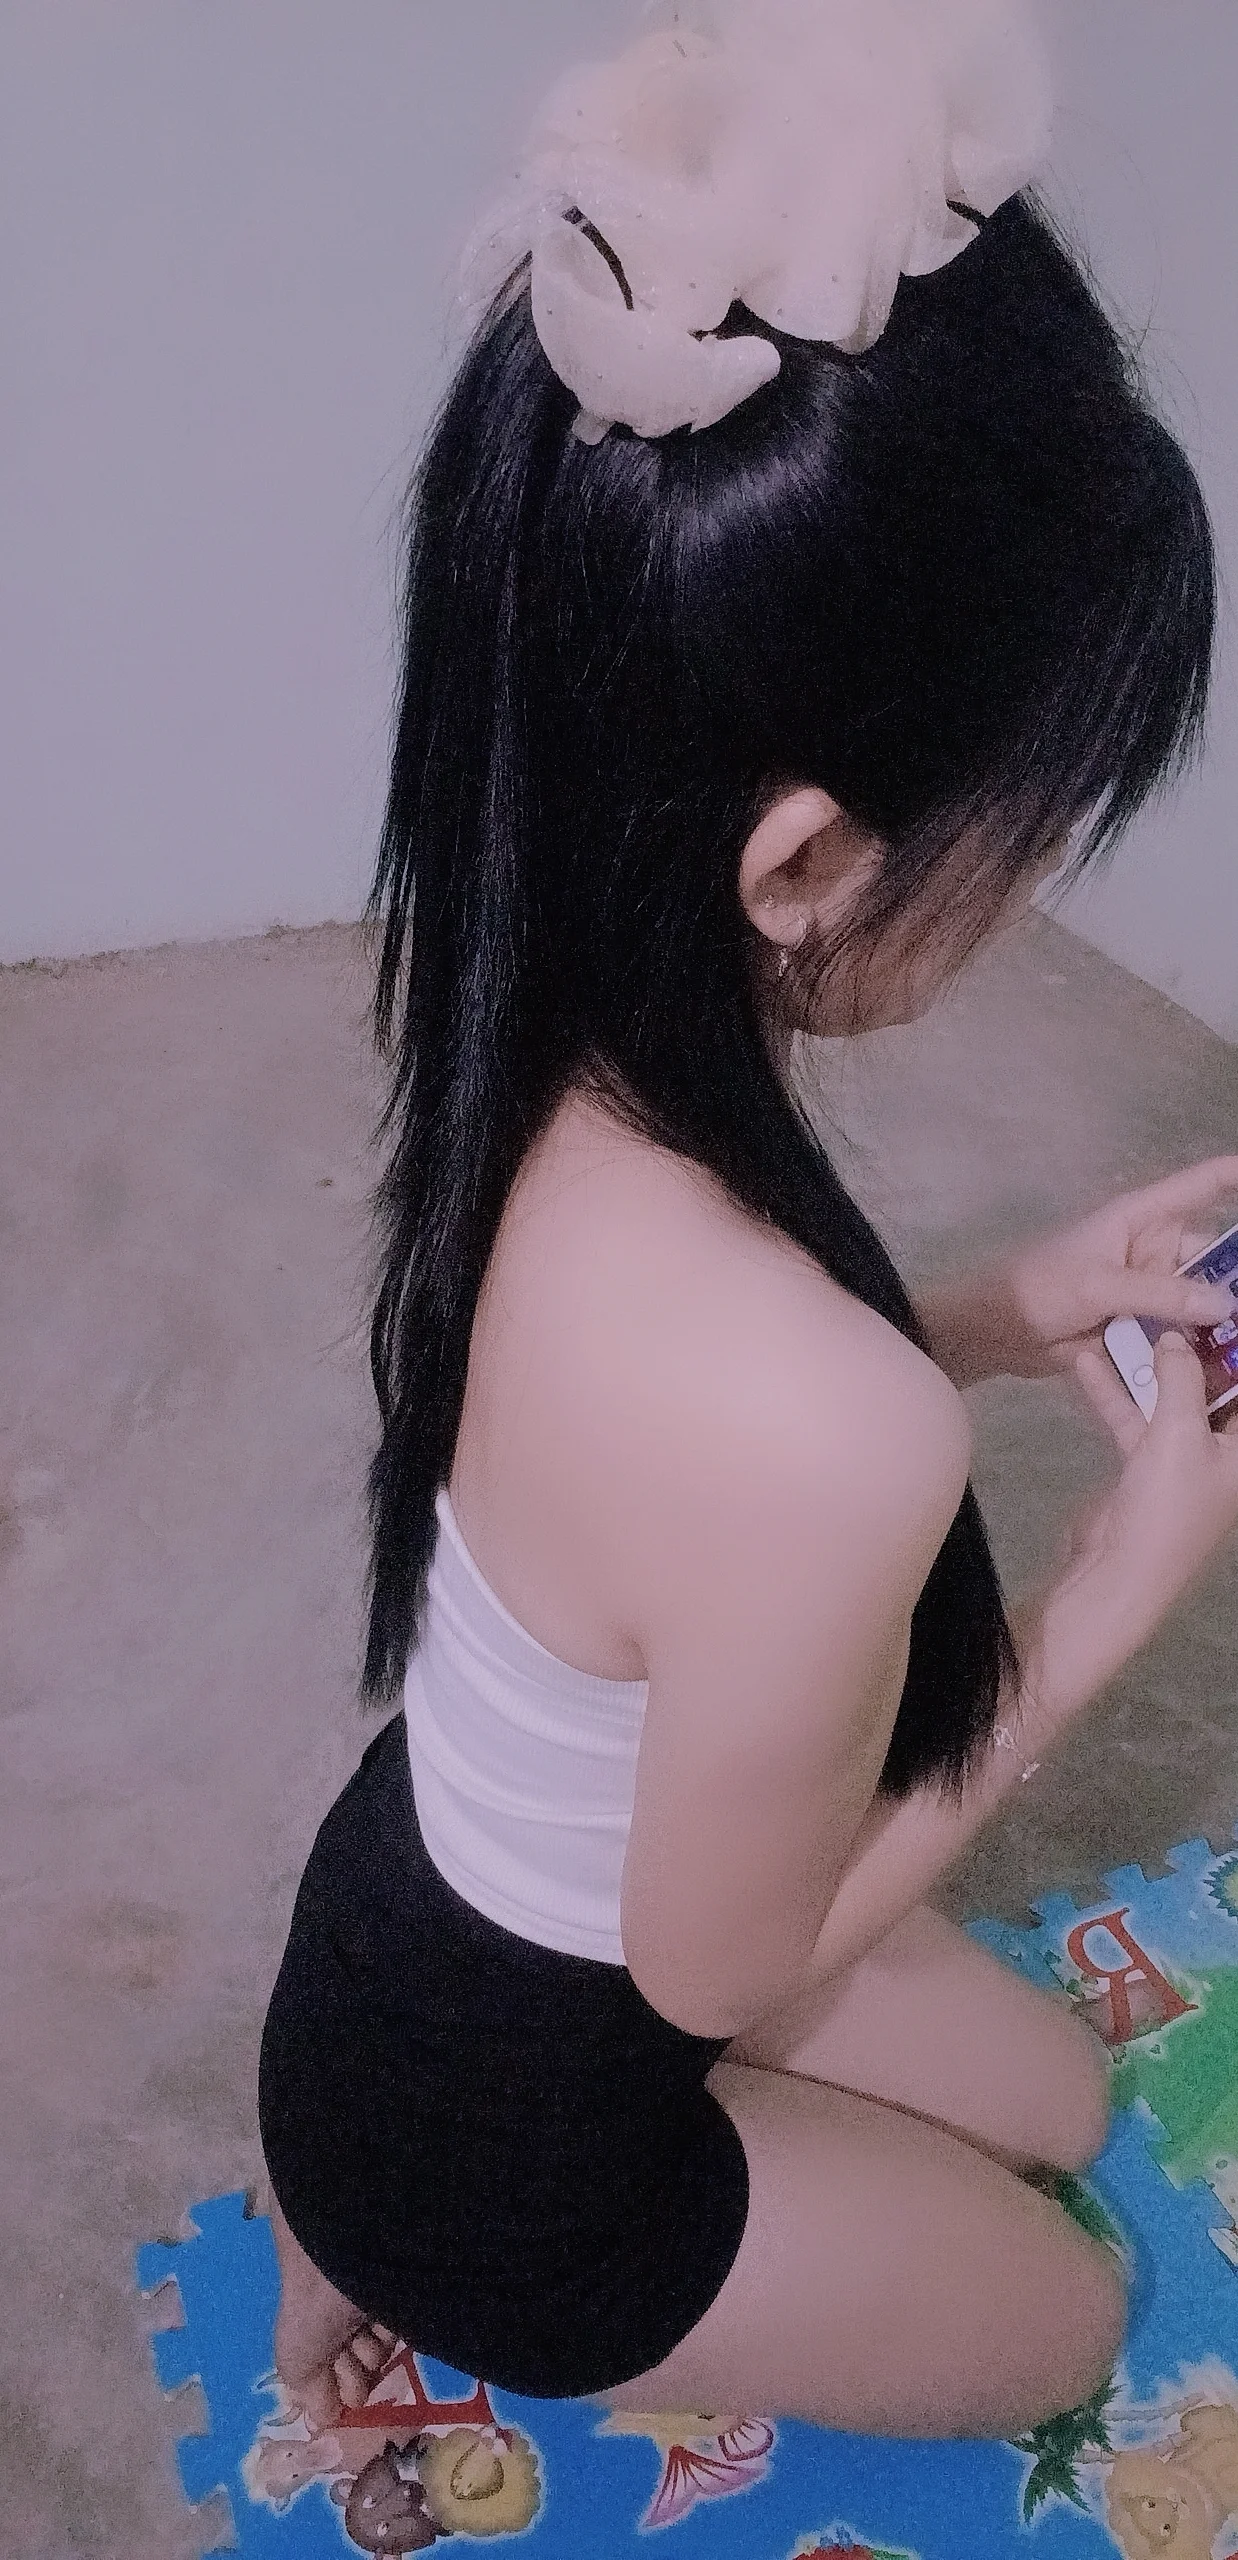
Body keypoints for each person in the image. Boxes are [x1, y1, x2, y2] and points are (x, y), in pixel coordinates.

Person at [259, 0, 1238, 2443]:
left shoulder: (539, 1059)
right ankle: (376, 2246)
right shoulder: (821, 1426)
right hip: (525, 2137)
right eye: (1029, 824)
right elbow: (722, 1961)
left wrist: (1003, 1309)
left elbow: (672, 1456)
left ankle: (341, 2195)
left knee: (1058, 2096)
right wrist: (1107, 1592)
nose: (1029, 875)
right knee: (1070, 2314)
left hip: (397, 1930)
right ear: (801, 859)